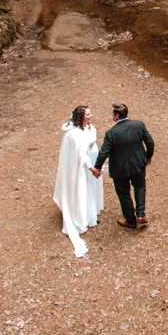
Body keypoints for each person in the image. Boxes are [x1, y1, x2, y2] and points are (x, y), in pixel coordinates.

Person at [90, 102, 154, 229]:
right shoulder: (138, 125)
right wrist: (147, 157)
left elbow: (103, 153)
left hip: (120, 169)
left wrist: (97, 167)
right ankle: (140, 214)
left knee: (124, 193)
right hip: (138, 165)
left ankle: (130, 219)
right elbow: (150, 142)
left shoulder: (111, 133)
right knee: (140, 186)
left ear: (117, 116)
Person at [53, 105, 105, 257]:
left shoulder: (90, 128)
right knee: (83, 188)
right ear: (81, 116)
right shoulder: (74, 135)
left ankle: (92, 212)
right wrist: (91, 168)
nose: (90, 116)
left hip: (93, 159)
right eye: (88, 114)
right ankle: (82, 216)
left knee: (92, 188)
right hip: (83, 167)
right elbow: (81, 155)